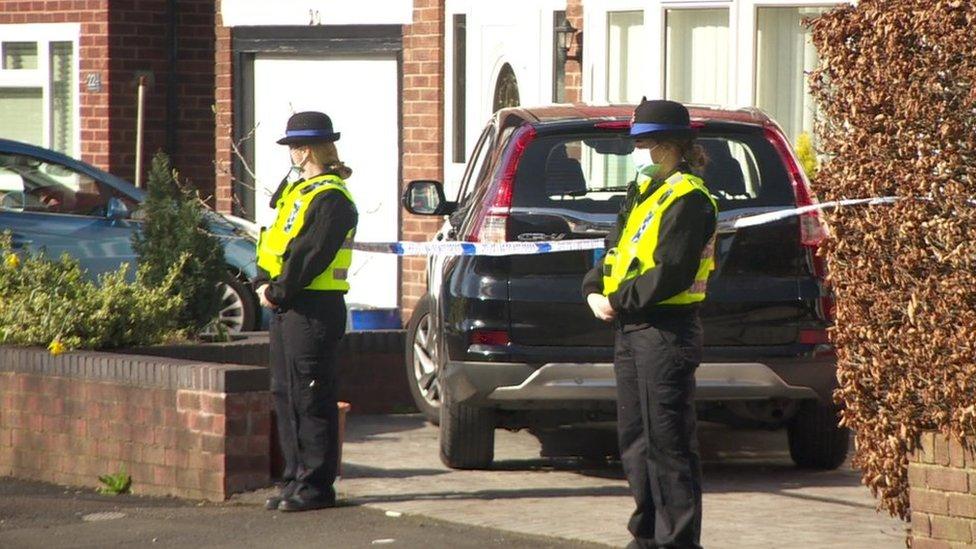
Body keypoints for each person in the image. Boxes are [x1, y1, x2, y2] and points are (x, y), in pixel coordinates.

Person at [582, 99, 717, 548]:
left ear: (669, 145)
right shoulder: (646, 192)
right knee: (636, 442)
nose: (638, 150)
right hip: (633, 329)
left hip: (665, 331)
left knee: (668, 446)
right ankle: (645, 538)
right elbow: (614, 248)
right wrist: (593, 288)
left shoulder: (689, 199)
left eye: (644, 142)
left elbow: (671, 271)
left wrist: (618, 300)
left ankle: (676, 542)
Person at [254, 111, 358, 512]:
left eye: (298, 146)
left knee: (312, 399)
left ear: (314, 149)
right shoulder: (297, 192)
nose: (293, 153)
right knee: (286, 395)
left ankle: (316, 487)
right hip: (288, 308)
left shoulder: (332, 198)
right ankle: (294, 479)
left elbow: (310, 255)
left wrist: (278, 291)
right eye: (291, 146)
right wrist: (263, 282)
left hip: (314, 309)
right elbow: (275, 242)